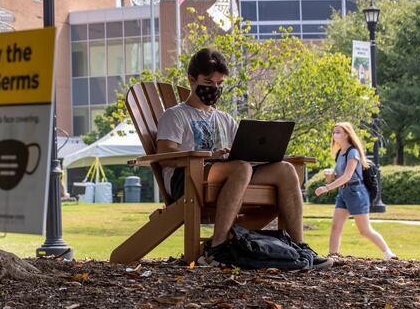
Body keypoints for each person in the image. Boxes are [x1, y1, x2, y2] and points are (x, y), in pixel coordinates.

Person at [156, 48, 332, 268]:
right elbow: (164, 155)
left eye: (220, 84)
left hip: (230, 175)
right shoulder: (175, 115)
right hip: (188, 179)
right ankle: (217, 249)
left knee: (285, 169)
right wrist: (211, 157)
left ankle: (299, 248)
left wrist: (259, 154)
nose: (215, 89)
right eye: (209, 82)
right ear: (192, 79)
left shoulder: (225, 119)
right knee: (241, 168)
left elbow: (241, 153)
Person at [315, 122, 397, 260]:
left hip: (356, 193)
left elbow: (348, 176)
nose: (335, 135)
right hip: (343, 193)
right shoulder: (340, 153)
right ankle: (332, 257)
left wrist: (326, 188)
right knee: (336, 227)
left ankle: (389, 254)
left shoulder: (353, 152)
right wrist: (330, 177)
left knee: (364, 230)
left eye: (339, 132)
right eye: (334, 132)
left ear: (347, 134)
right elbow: (339, 177)